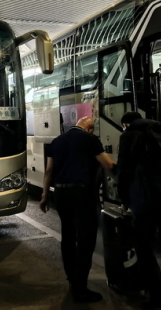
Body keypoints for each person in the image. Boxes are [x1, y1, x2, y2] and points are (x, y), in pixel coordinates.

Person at [39, 117, 115, 303]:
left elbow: (49, 171)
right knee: (85, 240)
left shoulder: (57, 141)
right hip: (81, 194)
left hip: (61, 194)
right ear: (89, 128)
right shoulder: (90, 140)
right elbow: (107, 164)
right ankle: (80, 288)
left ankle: (72, 277)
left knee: (68, 236)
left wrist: (44, 196)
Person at [117, 112, 161, 310]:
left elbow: (124, 170)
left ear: (126, 124)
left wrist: (124, 199)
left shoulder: (130, 135)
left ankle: (159, 298)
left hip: (147, 200)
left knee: (144, 249)